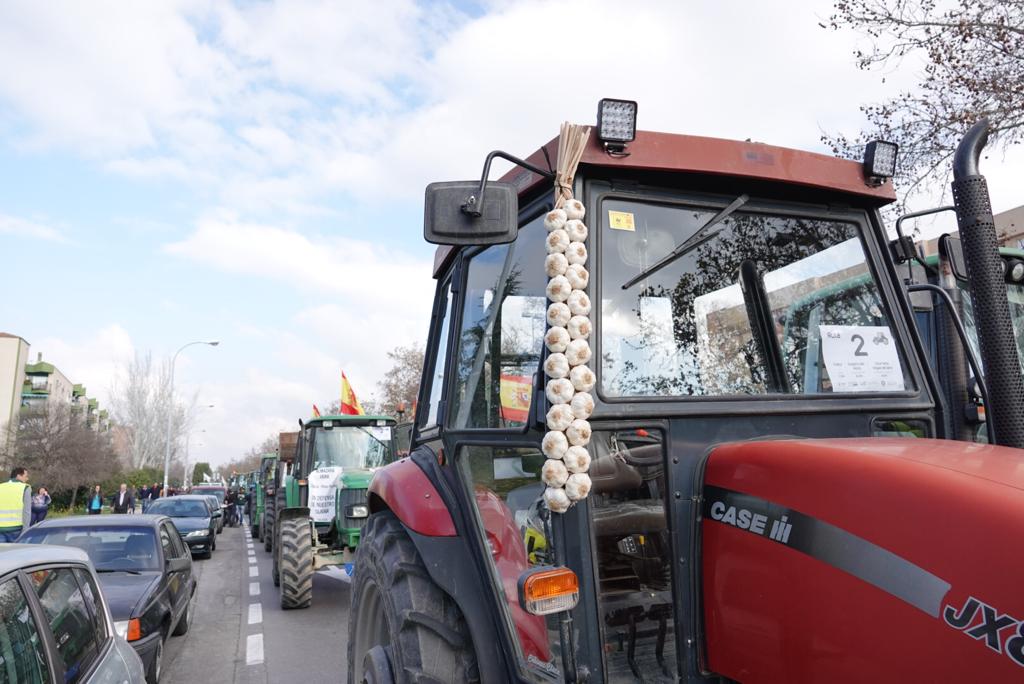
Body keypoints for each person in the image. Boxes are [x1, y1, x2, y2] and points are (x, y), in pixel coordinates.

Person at [0, 468, 31, 542]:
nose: (27, 478)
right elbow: (27, 512)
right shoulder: (25, 487)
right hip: (16, 530)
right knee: (16, 552)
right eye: (25, 476)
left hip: (0, 529)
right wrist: (26, 530)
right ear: (18, 476)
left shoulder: (1, 486)